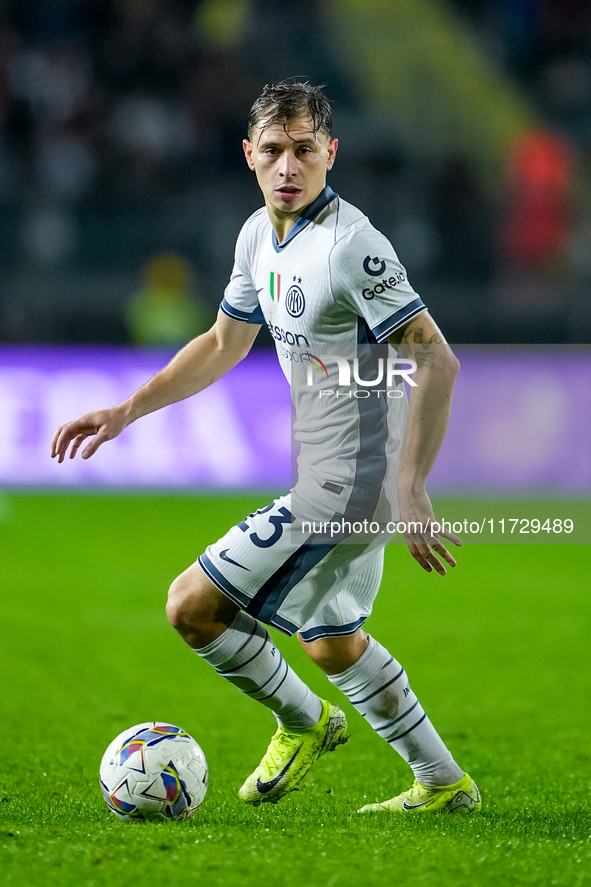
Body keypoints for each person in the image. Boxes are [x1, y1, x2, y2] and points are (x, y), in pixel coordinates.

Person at [51, 81, 481, 815]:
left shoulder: (353, 246)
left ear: (330, 153)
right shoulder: (258, 234)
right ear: (249, 155)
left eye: (304, 150)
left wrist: (412, 482)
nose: (289, 166)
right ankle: (444, 782)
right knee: (331, 642)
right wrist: (127, 409)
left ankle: (304, 720)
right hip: (328, 472)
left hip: (351, 484)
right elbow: (223, 344)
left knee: (190, 605)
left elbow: (436, 358)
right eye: (274, 151)